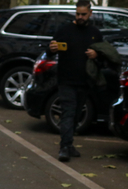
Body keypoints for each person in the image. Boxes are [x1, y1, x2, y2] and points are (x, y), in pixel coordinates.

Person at [49, 0, 102, 162]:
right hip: (66, 80)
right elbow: (50, 49)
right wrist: (51, 48)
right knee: (68, 113)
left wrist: (97, 55)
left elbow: (105, 56)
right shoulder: (65, 30)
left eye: (83, 14)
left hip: (85, 81)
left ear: (90, 13)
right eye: (78, 14)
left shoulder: (95, 33)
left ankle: (69, 144)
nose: (80, 17)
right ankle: (64, 147)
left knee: (77, 115)